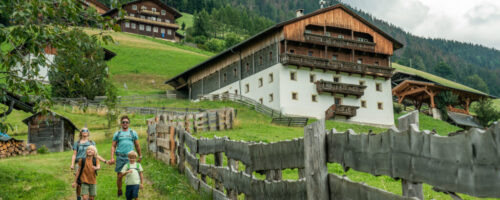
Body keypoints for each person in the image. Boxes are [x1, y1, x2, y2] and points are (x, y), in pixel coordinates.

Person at [71, 128, 108, 200]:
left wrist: (105, 161)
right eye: (83, 131)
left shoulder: (91, 143)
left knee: (87, 180)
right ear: (81, 133)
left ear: (88, 133)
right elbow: (74, 154)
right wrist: (72, 164)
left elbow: (96, 154)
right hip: (79, 162)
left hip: (89, 162)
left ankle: (86, 196)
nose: (85, 132)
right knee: (79, 182)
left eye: (86, 131)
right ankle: (78, 197)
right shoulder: (77, 143)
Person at [110, 115, 142, 197]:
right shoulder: (117, 133)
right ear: (121, 123)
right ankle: (119, 190)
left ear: (129, 123)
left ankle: (131, 191)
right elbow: (113, 146)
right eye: (123, 122)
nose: (125, 123)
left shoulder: (133, 133)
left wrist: (140, 155)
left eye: (126, 122)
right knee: (120, 175)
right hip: (120, 157)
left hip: (130, 158)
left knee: (131, 174)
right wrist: (112, 157)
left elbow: (137, 145)